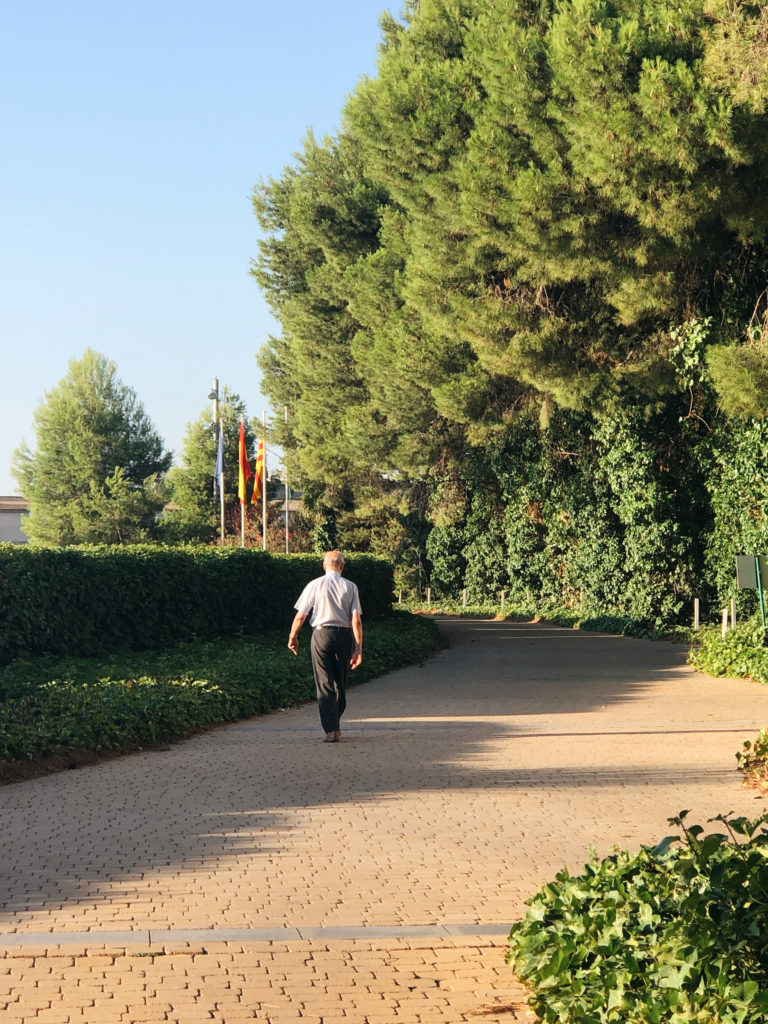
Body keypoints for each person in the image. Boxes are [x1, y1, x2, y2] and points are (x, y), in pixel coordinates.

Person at [288, 550, 363, 742]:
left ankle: (331, 729)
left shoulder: (314, 585)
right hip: (344, 636)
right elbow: (356, 620)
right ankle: (334, 724)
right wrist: (358, 647)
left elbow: (301, 615)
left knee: (324, 683)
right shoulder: (351, 586)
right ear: (342, 566)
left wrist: (293, 636)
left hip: (321, 634)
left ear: (324, 565)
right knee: (340, 682)